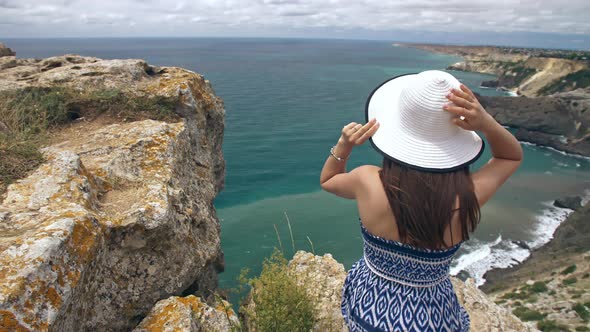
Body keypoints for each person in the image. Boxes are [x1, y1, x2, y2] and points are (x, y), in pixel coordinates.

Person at [319, 70, 523, 331]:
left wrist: (343, 145)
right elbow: (510, 157)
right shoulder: (468, 195)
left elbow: (328, 180)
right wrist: (486, 123)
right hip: (434, 319)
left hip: (367, 312)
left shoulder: (367, 180)